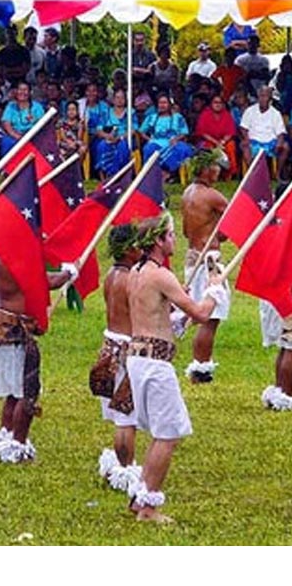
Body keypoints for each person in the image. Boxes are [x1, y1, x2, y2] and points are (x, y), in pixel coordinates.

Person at [126, 213, 226, 522]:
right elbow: (199, 313)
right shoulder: (161, 275)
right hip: (155, 365)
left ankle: (140, 497)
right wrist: (213, 290)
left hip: (138, 357)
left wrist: (175, 317)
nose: (175, 239)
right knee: (168, 434)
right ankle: (147, 508)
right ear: (158, 240)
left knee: (161, 433)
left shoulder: (136, 271)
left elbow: (154, 314)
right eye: (170, 234)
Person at [0, 256, 75, 462]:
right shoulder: (15, 256)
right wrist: (68, 274)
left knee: (13, 393)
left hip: (2, 326)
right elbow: (44, 281)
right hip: (14, 331)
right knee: (26, 392)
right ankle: (18, 444)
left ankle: (6, 434)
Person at [92, 225, 141, 492]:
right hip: (124, 351)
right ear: (130, 249)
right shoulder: (129, 279)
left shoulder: (111, 275)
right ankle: (125, 470)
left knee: (121, 415)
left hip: (109, 346)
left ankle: (122, 461)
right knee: (126, 416)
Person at [181, 150, 230, 383]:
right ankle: (201, 368)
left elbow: (184, 230)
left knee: (205, 314)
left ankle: (200, 365)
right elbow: (233, 223)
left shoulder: (187, 193)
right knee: (211, 317)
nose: (219, 171)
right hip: (208, 259)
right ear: (206, 169)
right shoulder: (213, 196)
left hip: (192, 255)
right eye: (216, 167)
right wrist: (219, 234)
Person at [240, 85, 289, 182]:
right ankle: (253, 175)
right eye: (260, 96)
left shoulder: (275, 113)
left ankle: (277, 174)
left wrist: (279, 142)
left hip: (270, 142)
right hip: (254, 141)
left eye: (265, 96)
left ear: (270, 99)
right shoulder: (250, 111)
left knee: (285, 146)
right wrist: (246, 138)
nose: (262, 99)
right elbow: (243, 128)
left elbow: (280, 133)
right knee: (244, 145)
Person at [139, 93, 193, 178]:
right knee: (149, 148)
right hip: (156, 142)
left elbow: (184, 132)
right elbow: (141, 132)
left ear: (169, 105)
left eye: (165, 103)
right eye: (160, 103)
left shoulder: (178, 117)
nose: (162, 105)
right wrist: (149, 139)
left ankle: (170, 173)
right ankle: (151, 175)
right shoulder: (151, 117)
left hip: (172, 142)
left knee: (183, 149)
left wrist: (176, 139)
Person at [194, 94, 238, 178]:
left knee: (231, 145)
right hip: (208, 141)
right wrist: (216, 143)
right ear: (211, 104)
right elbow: (202, 132)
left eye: (220, 103)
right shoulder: (205, 115)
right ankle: (212, 175)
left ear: (223, 105)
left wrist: (223, 142)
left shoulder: (227, 115)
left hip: (223, 142)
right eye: (215, 102)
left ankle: (230, 174)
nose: (217, 105)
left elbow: (231, 132)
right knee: (207, 149)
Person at [0, 81, 44, 156]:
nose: (22, 92)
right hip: (15, 136)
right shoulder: (10, 106)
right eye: (20, 89)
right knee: (6, 142)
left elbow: (43, 124)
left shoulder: (37, 107)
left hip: (33, 136)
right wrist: (17, 136)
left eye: (25, 90)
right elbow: (6, 123)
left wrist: (34, 121)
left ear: (30, 92)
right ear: (16, 91)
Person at [95, 88, 132, 179]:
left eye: (122, 98)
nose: (119, 100)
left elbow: (133, 130)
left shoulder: (130, 112)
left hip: (123, 138)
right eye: (117, 98)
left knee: (122, 146)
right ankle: (103, 175)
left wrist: (120, 137)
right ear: (113, 99)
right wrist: (107, 136)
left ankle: (115, 174)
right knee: (101, 146)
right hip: (108, 138)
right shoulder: (106, 113)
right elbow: (99, 130)